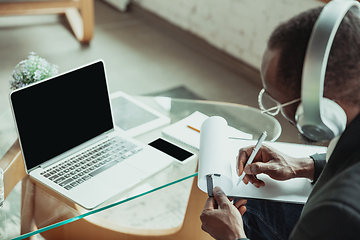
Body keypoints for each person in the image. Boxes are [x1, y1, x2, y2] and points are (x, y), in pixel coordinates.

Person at [200, 4, 360, 240]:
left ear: (320, 109)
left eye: (280, 102)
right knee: (251, 204)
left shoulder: (339, 211)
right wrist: (304, 166)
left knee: (240, 217)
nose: (279, 112)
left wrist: (234, 237)